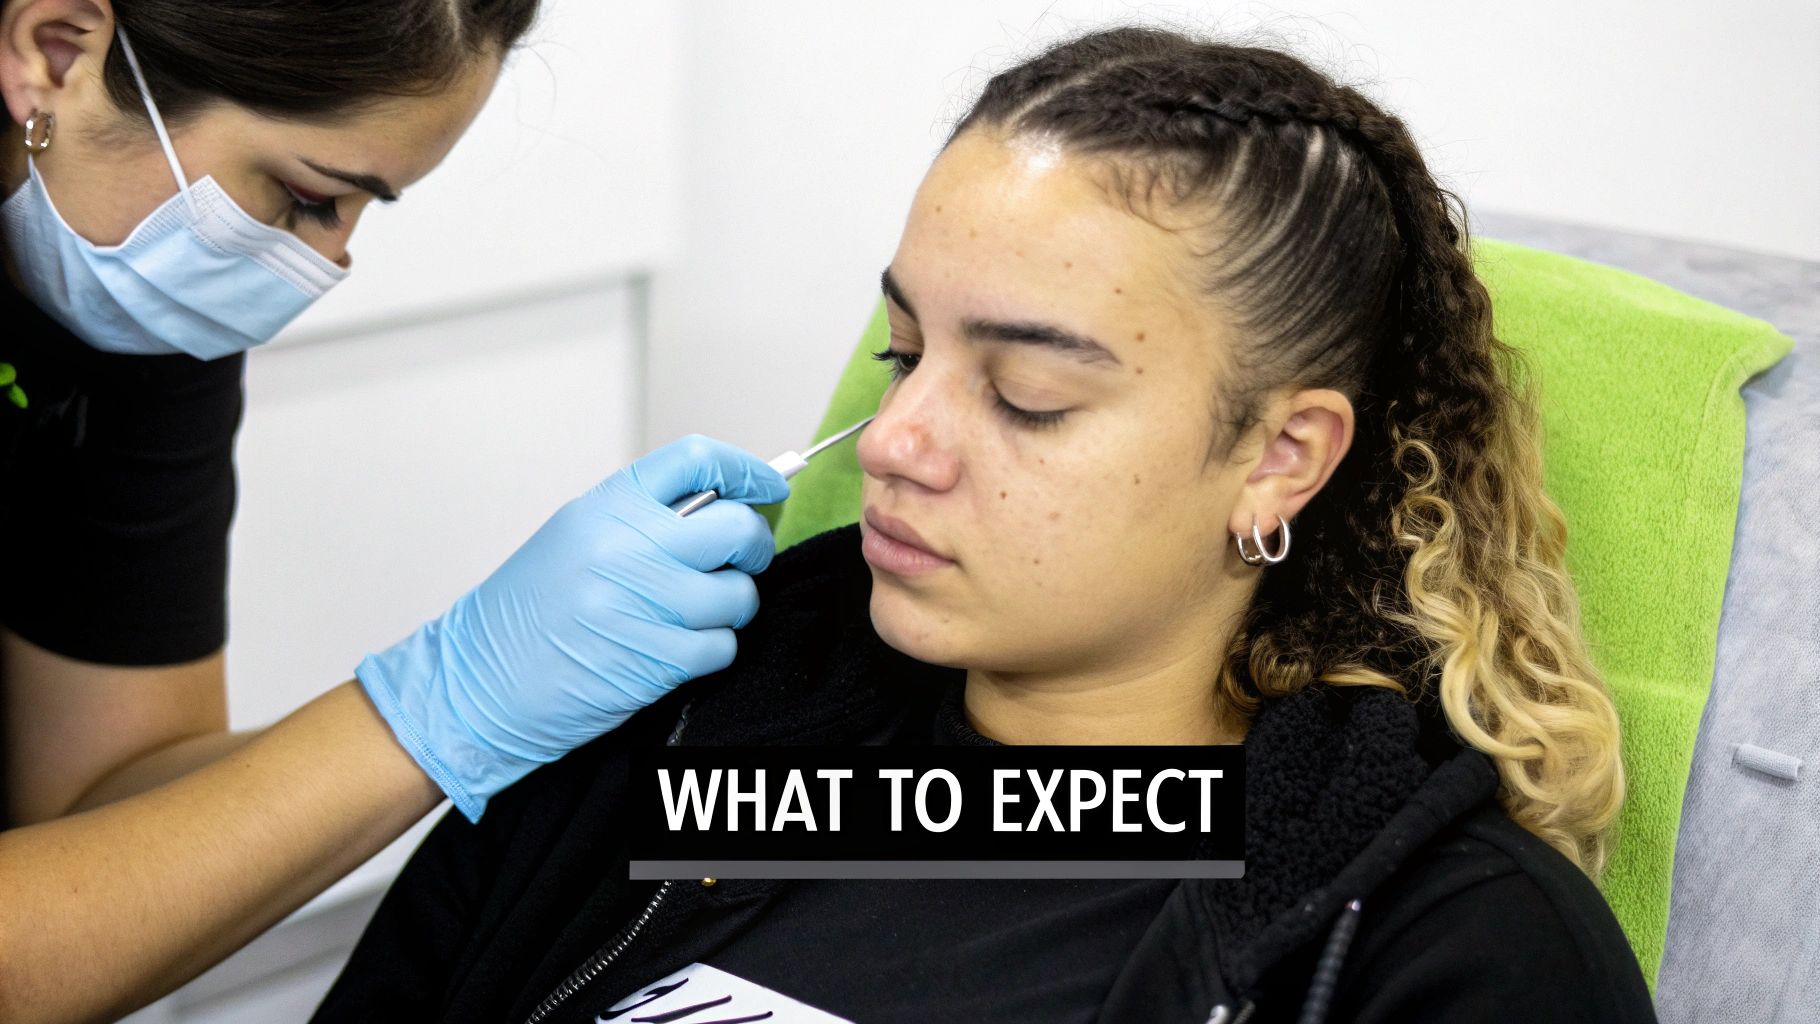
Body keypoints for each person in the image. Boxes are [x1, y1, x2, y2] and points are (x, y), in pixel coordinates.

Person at [313, 26, 1658, 1023]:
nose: (894, 444)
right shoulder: (679, 742)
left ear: (1280, 457)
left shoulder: (1439, 948)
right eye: (905, 356)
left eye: (1027, 397)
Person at [0, 2, 790, 1021]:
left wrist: (495, 707)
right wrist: (434, 710)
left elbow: (107, 797)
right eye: (304, 193)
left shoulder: (146, 318)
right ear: (56, 49)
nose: (324, 263)